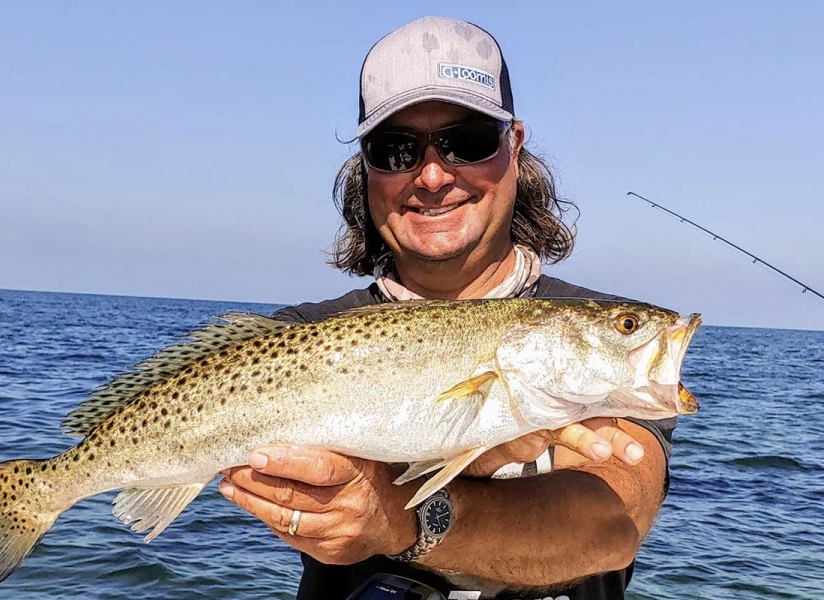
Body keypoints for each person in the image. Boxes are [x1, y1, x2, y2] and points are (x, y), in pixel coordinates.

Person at [218, 16, 675, 600]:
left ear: (514, 145)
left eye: (468, 141)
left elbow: (611, 526)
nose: (432, 176)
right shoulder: (297, 340)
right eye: (395, 149)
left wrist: (403, 515)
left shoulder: (596, 333)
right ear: (366, 169)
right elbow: (301, 493)